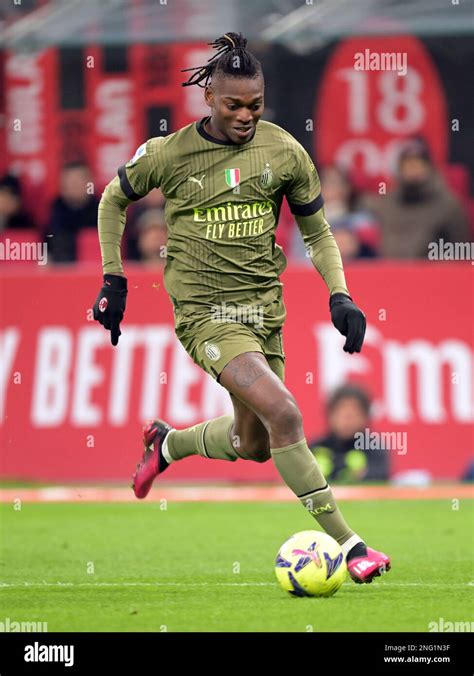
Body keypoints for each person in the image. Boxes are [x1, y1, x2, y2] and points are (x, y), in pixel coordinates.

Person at [93, 32, 390, 585]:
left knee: (255, 444)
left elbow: (317, 230)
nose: (246, 115)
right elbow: (114, 199)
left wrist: (340, 294)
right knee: (287, 414)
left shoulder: (283, 151)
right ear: (208, 97)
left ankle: (168, 443)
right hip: (206, 314)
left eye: (255, 104)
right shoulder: (169, 153)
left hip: (264, 313)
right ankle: (351, 545)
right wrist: (114, 277)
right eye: (234, 104)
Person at [363, 137, 468, 258]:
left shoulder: (449, 204)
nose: (412, 171)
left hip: (433, 273)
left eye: (417, 165)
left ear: (429, 168)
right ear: (400, 170)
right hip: (390, 271)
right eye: (408, 166)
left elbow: (461, 250)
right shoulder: (388, 202)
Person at [309, 385, 389, 483]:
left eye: (353, 415)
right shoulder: (316, 447)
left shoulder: (373, 447)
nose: (347, 421)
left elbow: (382, 475)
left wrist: (361, 474)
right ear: (330, 415)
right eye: (342, 414)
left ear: (365, 417)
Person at [47, 162, 99, 262]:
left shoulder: (104, 208)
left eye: (79, 180)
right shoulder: (55, 208)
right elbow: (48, 243)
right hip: (61, 269)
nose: (75, 185)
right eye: (70, 181)